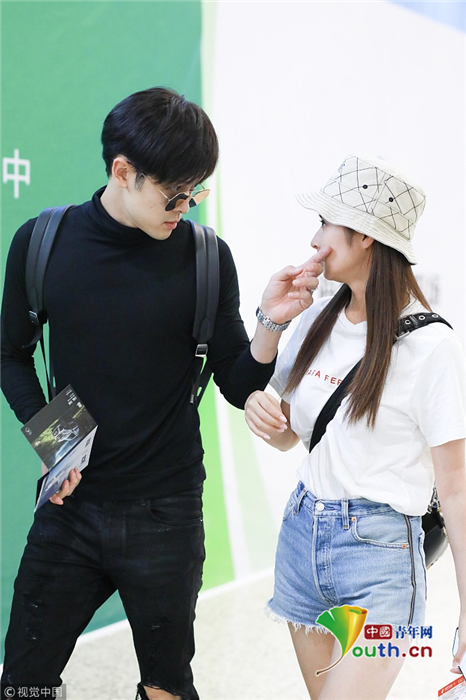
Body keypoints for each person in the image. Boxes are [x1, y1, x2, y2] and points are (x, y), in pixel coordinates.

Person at [0, 87, 328, 700]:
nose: (185, 206)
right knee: (24, 683)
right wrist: (57, 443)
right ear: (123, 171)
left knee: (167, 686)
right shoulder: (43, 242)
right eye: (174, 193)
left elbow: (237, 384)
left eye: (196, 191)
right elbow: (10, 353)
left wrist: (269, 324)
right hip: (70, 509)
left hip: (167, 512)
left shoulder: (206, 258)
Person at [244, 154, 466, 700]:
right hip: (302, 536)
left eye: (326, 223)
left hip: (381, 558)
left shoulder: (431, 347)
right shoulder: (315, 320)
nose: (315, 238)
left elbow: (457, 486)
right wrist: (262, 414)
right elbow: (290, 436)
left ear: (365, 236)